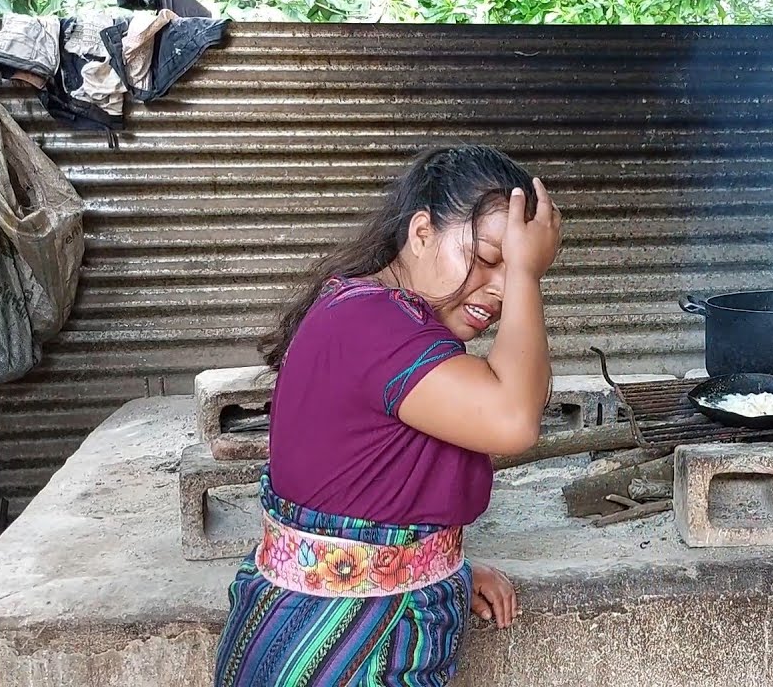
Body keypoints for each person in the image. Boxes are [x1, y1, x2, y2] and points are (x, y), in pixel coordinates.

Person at [213, 145, 562, 687]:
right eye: (492, 258)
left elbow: (365, 492)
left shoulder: (376, 316)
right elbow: (514, 419)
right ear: (421, 233)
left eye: (512, 270)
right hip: (330, 654)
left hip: (353, 629)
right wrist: (527, 275)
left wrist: (436, 569)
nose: (501, 290)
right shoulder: (372, 324)